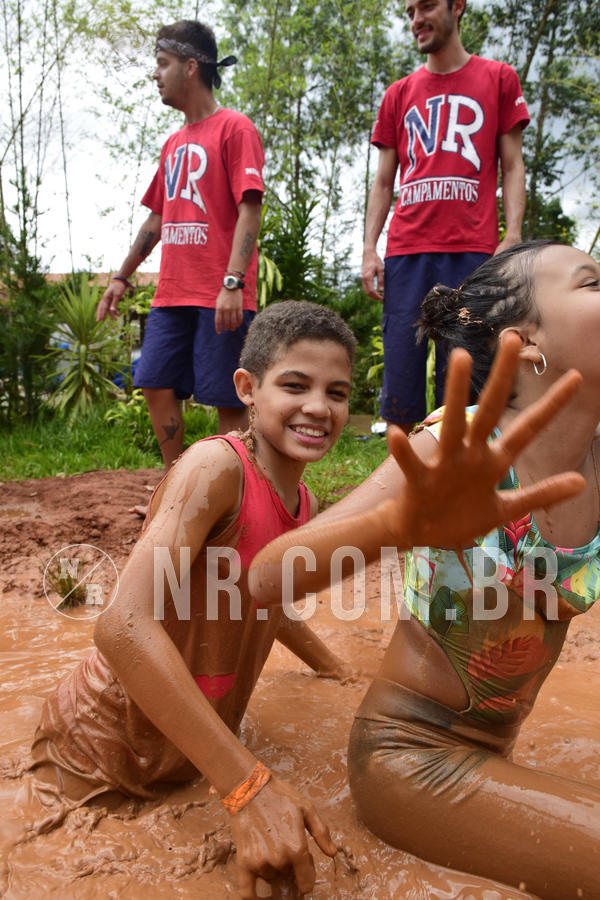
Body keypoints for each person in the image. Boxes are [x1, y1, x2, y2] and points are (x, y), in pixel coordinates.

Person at [250, 242, 600, 899]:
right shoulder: (457, 445)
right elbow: (266, 579)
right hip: (408, 759)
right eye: (592, 282)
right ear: (529, 347)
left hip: (494, 758)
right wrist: (399, 527)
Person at [28, 301, 358, 898]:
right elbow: (121, 626)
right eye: (295, 385)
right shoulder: (215, 469)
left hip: (193, 751)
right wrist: (246, 787)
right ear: (247, 388)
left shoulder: (304, 506)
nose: (319, 407)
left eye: (337, 392)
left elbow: (265, 600)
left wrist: (335, 669)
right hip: (99, 753)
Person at [97, 19, 264, 472]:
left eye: (162, 63)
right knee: (154, 381)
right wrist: (121, 276)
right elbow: (157, 217)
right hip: (171, 293)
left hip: (219, 294)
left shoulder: (235, 128)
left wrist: (233, 281)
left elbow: (250, 208)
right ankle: (176, 484)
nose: (156, 73)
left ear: (191, 67)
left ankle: (233, 495)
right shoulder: (173, 144)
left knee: (226, 397)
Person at [361, 0, 530, 433]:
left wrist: (511, 235)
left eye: (427, 6)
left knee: (466, 373)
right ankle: (403, 482)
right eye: (410, 10)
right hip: (406, 253)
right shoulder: (398, 94)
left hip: (472, 252)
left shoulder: (498, 78)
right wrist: (368, 248)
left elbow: (512, 165)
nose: (417, 18)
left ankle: (460, 486)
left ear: (458, 7)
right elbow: (383, 182)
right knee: (400, 371)